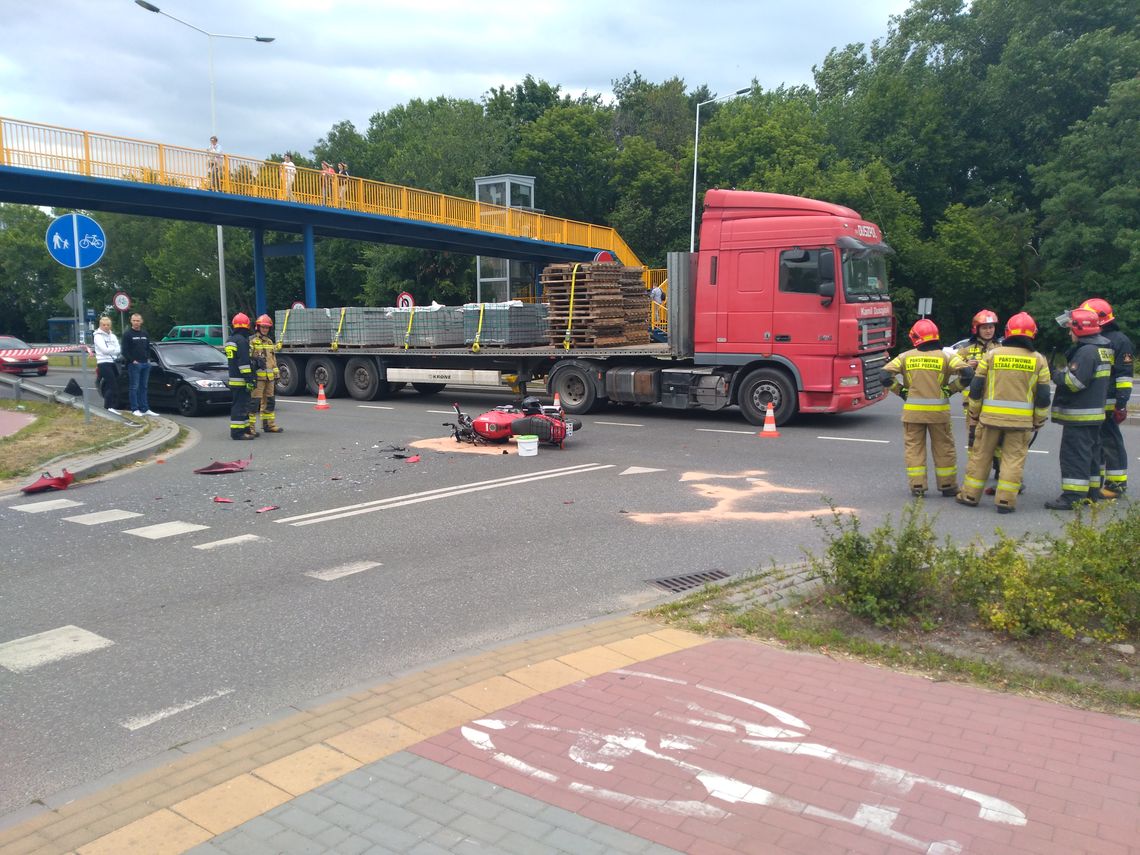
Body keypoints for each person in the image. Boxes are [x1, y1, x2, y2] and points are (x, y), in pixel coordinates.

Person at [955, 312, 1051, 513]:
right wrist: (1039, 420)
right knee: (1012, 460)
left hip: (988, 420)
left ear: (1008, 331)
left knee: (980, 457)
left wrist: (974, 413)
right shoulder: (1039, 360)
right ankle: (1005, 502)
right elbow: (1043, 396)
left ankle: (970, 496)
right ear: (1033, 334)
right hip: (1021, 423)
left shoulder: (992, 355)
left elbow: (976, 388)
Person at [880, 319, 973, 497]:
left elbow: (884, 375)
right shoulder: (946, 356)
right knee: (944, 448)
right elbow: (968, 373)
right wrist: (951, 390)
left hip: (913, 414)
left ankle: (918, 486)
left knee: (914, 449)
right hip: (939, 414)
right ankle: (947, 485)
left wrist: (901, 392)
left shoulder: (905, 357)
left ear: (915, 337)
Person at [1045, 307, 1113, 510]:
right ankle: (1091, 493)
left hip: (1080, 416)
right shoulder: (1102, 348)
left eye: (1071, 329)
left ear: (1080, 329)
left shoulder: (1086, 352)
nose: (1069, 333)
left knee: (1074, 457)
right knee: (1091, 456)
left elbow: (1074, 383)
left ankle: (1072, 496)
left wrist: (1055, 374)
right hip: (1094, 414)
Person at [1080, 297, 1133, 497]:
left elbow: (1124, 377)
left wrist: (1121, 404)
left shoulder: (1120, 341)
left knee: (1110, 442)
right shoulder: (1097, 339)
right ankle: (1097, 482)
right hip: (1096, 400)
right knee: (1098, 443)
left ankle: (1116, 484)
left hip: (1109, 402)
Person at [250, 314, 283, 433]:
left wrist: (276, 374)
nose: (265, 329)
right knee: (254, 403)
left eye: (267, 327)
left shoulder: (269, 342)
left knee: (270, 402)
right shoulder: (252, 341)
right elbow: (248, 359)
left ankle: (269, 425)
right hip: (258, 378)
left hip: (270, 378)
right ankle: (250, 428)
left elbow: (273, 360)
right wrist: (255, 360)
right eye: (263, 327)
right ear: (258, 327)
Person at [120, 312, 156, 417]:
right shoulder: (127, 334)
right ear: (131, 321)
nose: (136, 322)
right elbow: (124, 350)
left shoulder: (144, 333)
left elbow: (148, 347)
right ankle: (135, 409)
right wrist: (132, 360)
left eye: (138, 320)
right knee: (134, 387)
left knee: (144, 387)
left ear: (141, 321)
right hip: (134, 364)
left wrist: (148, 358)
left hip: (145, 363)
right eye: (134, 320)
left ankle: (145, 408)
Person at [92, 316, 122, 414]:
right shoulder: (98, 336)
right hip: (103, 363)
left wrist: (111, 349)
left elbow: (119, 349)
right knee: (112, 385)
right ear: (100, 325)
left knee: (113, 385)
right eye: (104, 325)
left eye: (108, 325)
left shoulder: (113, 336)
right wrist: (113, 349)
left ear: (110, 325)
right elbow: (104, 350)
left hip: (113, 362)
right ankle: (109, 407)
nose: (106, 327)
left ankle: (109, 407)